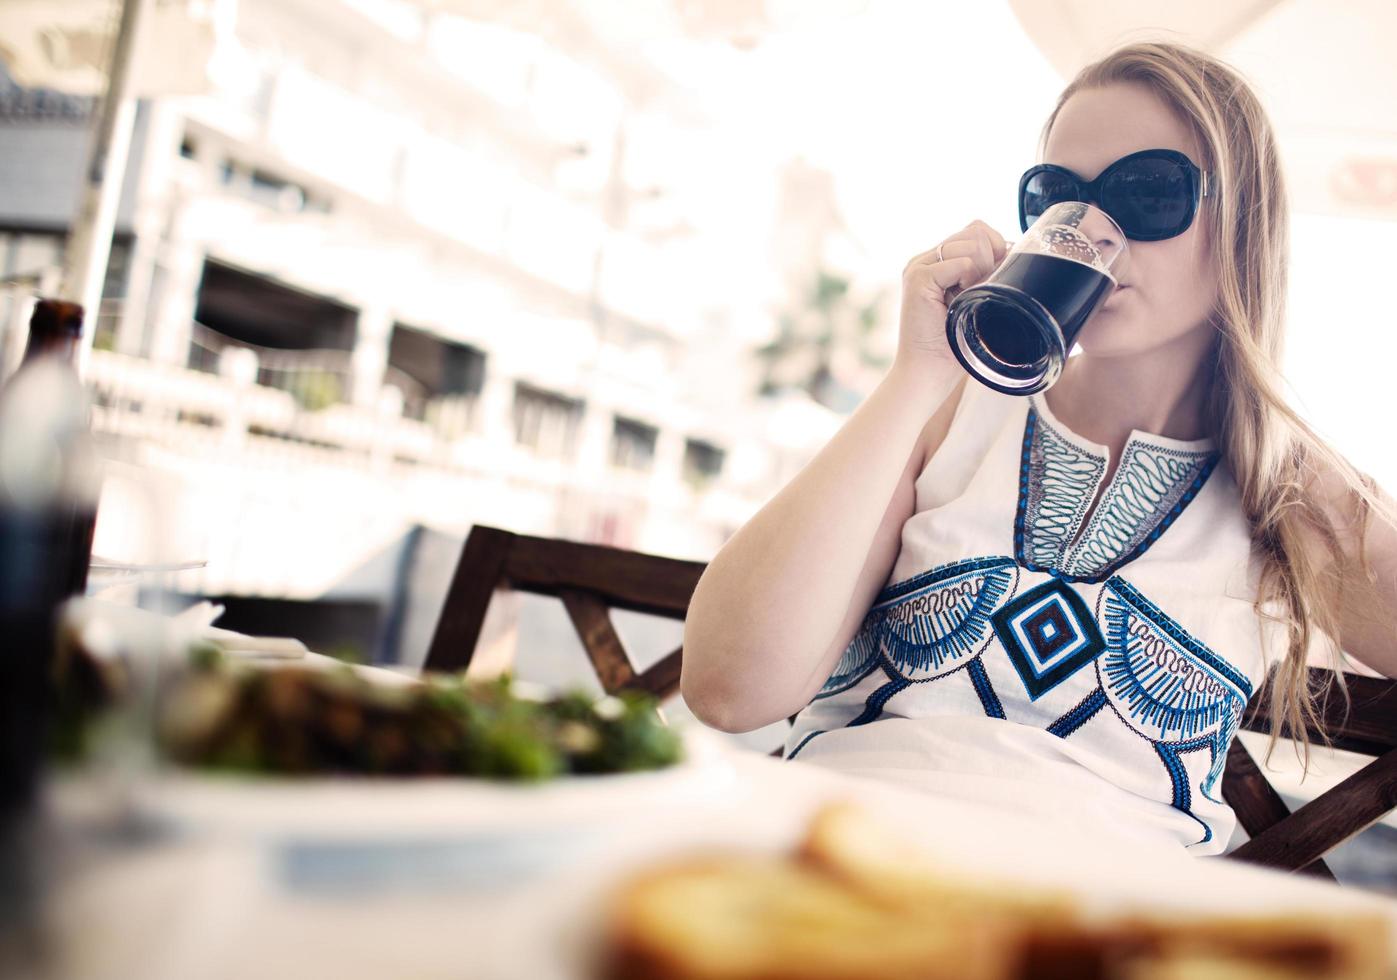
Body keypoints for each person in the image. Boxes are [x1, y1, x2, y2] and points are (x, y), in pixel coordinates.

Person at [680, 41, 1397, 855]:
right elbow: (728, 688)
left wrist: (1317, 474)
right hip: (834, 861)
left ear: (1243, 222)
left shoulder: (1293, 496)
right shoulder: (948, 409)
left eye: (1147, 191)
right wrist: (915, 376)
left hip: (1095, 919)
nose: (1098, 231)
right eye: (1057, 196)